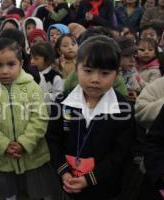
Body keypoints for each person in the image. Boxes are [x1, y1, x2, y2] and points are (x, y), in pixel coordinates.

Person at [47, 35, 135, 200]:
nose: (95, 79)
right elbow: (53, 139)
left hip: (104, 188)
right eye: (88, 71)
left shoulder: (124, 110)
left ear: (116, 75)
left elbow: (120, 153)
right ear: (76, 69)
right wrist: (64, 171)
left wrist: (90, 179)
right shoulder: (62, 103)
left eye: (105, 73)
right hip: (68, 183)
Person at [0, 38, 55, 200]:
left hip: (33, 154)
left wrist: (25, 142)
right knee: (7, 192)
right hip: (2, 156)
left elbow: (40, 117)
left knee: (37, 190)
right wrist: (3, 145)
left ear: (21, 63)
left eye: (11, 64)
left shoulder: (32, 87)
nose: (4, 71)